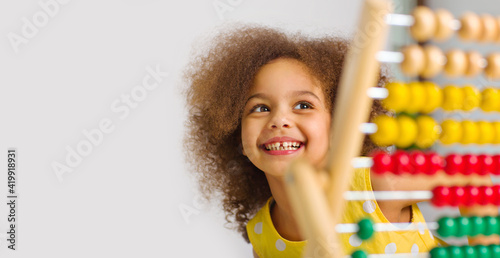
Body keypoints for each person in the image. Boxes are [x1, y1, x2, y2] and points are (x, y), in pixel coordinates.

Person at [183, 25, 483, 257]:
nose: (279, 120)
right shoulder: (263, 234)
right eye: (260, 108)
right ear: (235, 132)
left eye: (303, 105)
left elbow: (470, 178)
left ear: (339, 124)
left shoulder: (377, 184)